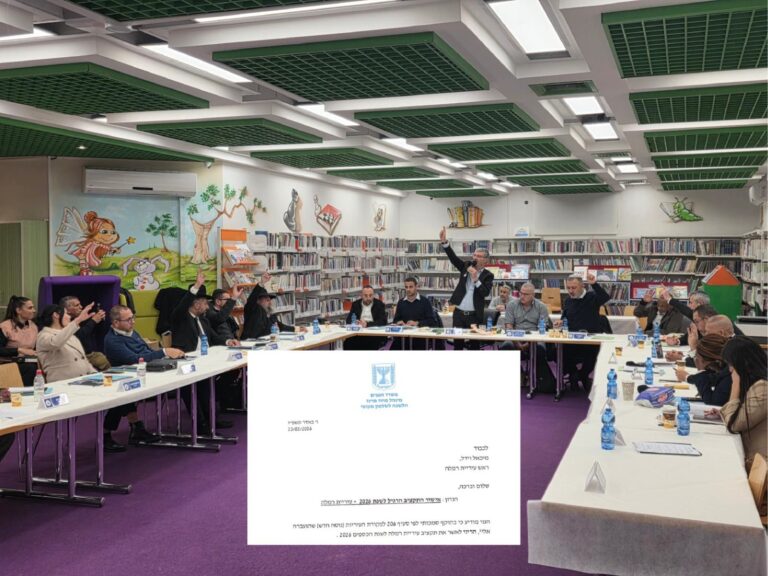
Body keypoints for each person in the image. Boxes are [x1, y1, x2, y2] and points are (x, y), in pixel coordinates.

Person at [102, 305, 184, 451]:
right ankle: (106, 434)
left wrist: (163, 356)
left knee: (126, 398)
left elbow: (146, 351)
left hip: (140, 372)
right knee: (121, 399)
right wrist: (164, 352)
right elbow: (133, 359)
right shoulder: (112, 340)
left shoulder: (132, 333)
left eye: (133, 318)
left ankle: (135, 428)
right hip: (122, 375)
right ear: (116, 323)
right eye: (128, 320)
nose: (133, 322)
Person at [708, 336, 767, 470]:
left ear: (742, 364)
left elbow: (734, 425)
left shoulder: (763, 388)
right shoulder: (755, 383)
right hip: (751, 457)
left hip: (758, 464)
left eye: (731, 365)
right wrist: (723, 412)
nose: (730, 370)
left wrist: (735, 385)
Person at [439, 227, 494, 350]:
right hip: (458, 314)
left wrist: (475, 279)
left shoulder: (488, 275)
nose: (475, 258)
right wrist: (444, 243)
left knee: (474, 346)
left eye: (479, 256)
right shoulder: (466, 266)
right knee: (458, 345)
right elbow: (453, 259)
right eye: (474, 255)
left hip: (474, 315)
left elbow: (485, 293)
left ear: (485, 260)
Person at [554, 274, 610, 391]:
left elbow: (605, 297)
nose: (570, 291)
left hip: (590, 339)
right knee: (557, 351)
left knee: (593, 355)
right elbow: (565, 316)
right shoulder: (568, 300)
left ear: (582, 286)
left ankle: (582, 375)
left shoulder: (592, 297)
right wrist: (561, 321)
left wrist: (594, 284)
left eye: (574, 288)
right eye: (568, 288)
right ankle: (574, 374)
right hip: (572, 339)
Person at [504, 282, 555, 389]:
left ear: (533, 295)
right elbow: (509, 326)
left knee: (539, 348)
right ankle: (518, 374)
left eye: (526, 294)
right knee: (506, 346)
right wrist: (517, 343)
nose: (522, 296)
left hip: (535, 339)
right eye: (521, 293)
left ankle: (540, 380)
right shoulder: (511, 305)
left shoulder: (541, 307)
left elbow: (542, 329)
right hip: (515, 337)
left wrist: (529, 343)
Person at [36, 303, 97, 382]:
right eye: (67, 314)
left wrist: (95, 374)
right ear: (56, 315)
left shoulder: (71, 335)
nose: (70, 317)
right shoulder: (43, 336)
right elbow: (56, 343)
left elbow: (83, 360)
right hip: (61, 384)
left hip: (82, 381)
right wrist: (78, 320)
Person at [241, 272, 307, 339]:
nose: (270, 302)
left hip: (266, 341)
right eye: (267, 300)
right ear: (258, 301)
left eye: (270, 300)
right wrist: (261, 283)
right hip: (249, 341)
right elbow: (252, 299)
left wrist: (296, 329)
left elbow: (280, 326)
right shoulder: (252, 309)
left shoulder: (270, 313)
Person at [674, 333, 731, 406]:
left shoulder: (729, 375)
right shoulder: (726, 366)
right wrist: (688, 378)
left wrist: (700, 369)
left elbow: (712, 401)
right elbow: (712, 378)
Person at [59, 295, 110, 370]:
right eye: (77, 305)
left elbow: (98, 331)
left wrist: (100, 319)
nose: (81, 307)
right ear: (67, 310)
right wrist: (93, 321)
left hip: (90, 354)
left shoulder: (83, 318)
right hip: (76, 357)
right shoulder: (64, 322)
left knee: (106, 361)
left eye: (80, 304)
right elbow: (79, 336)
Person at [0, 295, 38, 386]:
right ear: (18, 310)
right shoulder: (5, 327)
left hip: (30, 361)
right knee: (30, 368)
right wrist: (19, 350)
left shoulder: (33, 326)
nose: (34, 310)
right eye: (30, 308)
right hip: (8, 365)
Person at [391, 277, 436, 351]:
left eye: (411, 287)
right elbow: (395, 320)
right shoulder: (401, 302)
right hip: (404, 336)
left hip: (419, 337)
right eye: (406, 287)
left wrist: (417, 323)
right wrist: (398, 322)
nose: (408, 289)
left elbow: (432, 321)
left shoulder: (425, 302)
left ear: (416, 287)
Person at [343, 285, 388, 351]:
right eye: (365, 295)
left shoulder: (379, 304)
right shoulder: (356, 304)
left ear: (373, 295)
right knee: (347, 343)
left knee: (370, 344)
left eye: (370, 295)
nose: (368, 298)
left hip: (374, 334)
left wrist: (367, 324)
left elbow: (383, 321)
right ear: (361, 295)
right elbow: (348, 320)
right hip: (359, 333)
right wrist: (355, 322)